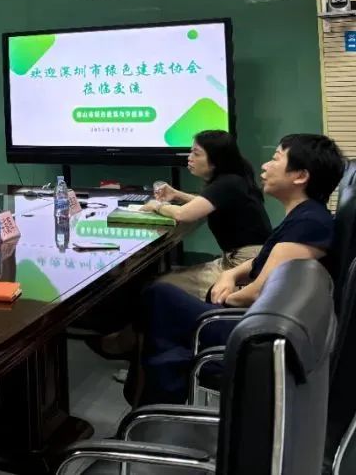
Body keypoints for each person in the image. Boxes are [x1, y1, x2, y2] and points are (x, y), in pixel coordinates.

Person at [131, 133, 345, 405]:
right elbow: (261, 261)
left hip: (251, 332)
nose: (265, 166)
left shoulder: (309, 225)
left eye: (276, 158)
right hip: (250, 321)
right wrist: (230, 274)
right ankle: (156, 393)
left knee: (158, 295)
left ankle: (156, 399)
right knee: (163, 307)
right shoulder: (305, 216)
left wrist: (224, 298)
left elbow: (258, 294)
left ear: (300, 176)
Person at [139, 130, 273, 299]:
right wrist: (176, 194)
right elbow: (208, 203)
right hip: (244, 259)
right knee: (163, 279)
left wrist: (157, 206)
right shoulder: (233, 179)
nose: (190, 158)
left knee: (159, 286)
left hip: (243, 264)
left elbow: (183, 214)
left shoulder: (227, 183)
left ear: (216, 160)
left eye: (196, 154)